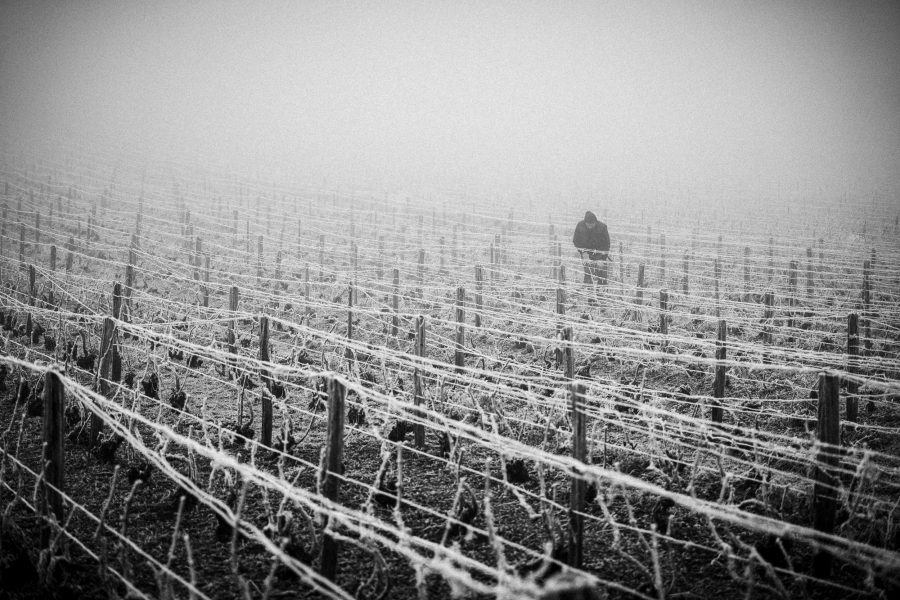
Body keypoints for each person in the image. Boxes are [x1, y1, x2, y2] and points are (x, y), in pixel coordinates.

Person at [573, 211, 610, 288]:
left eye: (592, 224)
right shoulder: (580, 226)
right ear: (585, 222)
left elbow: (606, 244)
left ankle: (601, 293)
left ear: (595, 222)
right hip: (586, 253)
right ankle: (589, 294)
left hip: (600, 253)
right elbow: (576, 240)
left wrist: (602, 258)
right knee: (588, 272)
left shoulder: (602, 227)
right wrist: (583, 252)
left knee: (602, 273)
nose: (590, 226)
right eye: (588, 224)